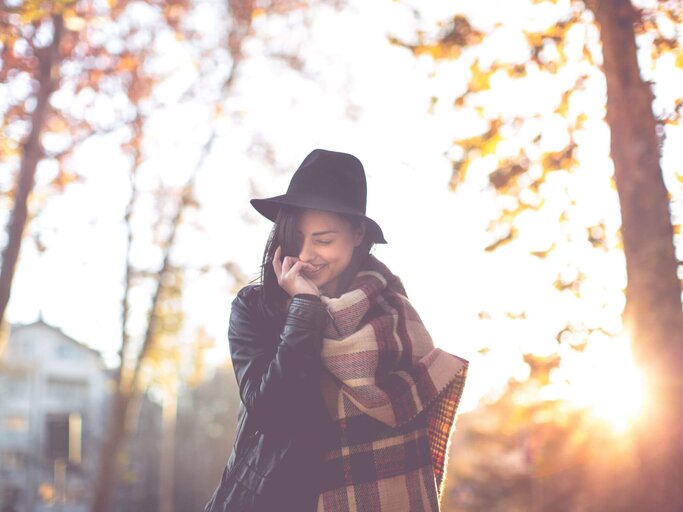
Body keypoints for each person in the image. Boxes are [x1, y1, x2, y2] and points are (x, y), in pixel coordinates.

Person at [204, 149, 468, 512]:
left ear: (357, 234)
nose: (307, 254)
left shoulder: (392, 312)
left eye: (324, 240)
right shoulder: (256, 307)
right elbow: (274, 413)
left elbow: (412, 410)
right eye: (298, 239)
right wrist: (305, 309)